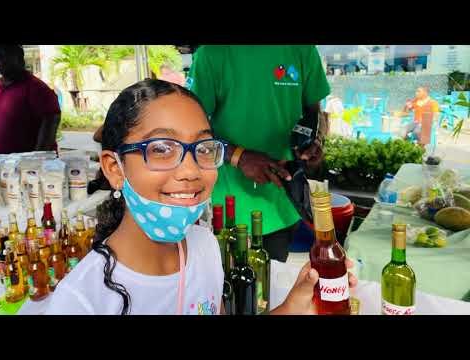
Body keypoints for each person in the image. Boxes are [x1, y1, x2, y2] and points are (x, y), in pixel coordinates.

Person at [45, 79, 356, 315]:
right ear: (115, 168)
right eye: (162, 149)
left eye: (204, 148)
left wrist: (295, 304)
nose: (191, 171)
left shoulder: (204, 246)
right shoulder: (81, 301)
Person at [186, 46, 330, 262]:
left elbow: (314, 111)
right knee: (231, 288)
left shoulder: (302, 49)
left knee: (265, 287)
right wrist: (240, 157)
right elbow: (191, 132)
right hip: (229, 210)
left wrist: (316, 141)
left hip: (283, 201)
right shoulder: (211, 54)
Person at [0, 45, 61, 154]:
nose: (1, 60)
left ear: (21, 59)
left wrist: (35, 163)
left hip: (26, 167)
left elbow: (50, 124)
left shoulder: (38, 89)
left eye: (7, 55)